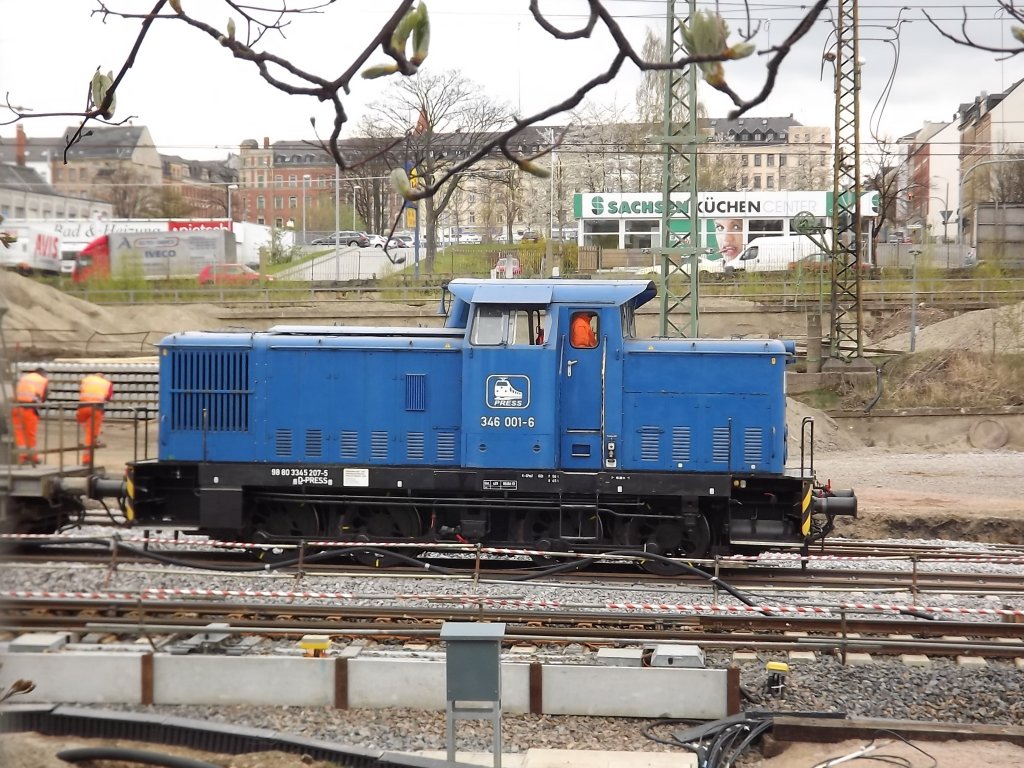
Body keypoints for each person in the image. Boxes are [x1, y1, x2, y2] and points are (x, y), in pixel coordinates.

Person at [13, 366, 48, 465]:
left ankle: (22, 458)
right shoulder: (43, 380)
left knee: (19, 433)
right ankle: (32, 457)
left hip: (16, 408)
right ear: (42, 373)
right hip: (29, 409)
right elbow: (44, 397)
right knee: (30, 434)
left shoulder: (24, 378)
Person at [77, 371, 113, 465]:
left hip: (82, 408)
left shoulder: (86, 380)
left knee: (87, 429)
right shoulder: (106, 383)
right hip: (95, 409)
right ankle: (86, 460)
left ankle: (93, 438)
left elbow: (81, 391)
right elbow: (108, 398)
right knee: (91, 434)